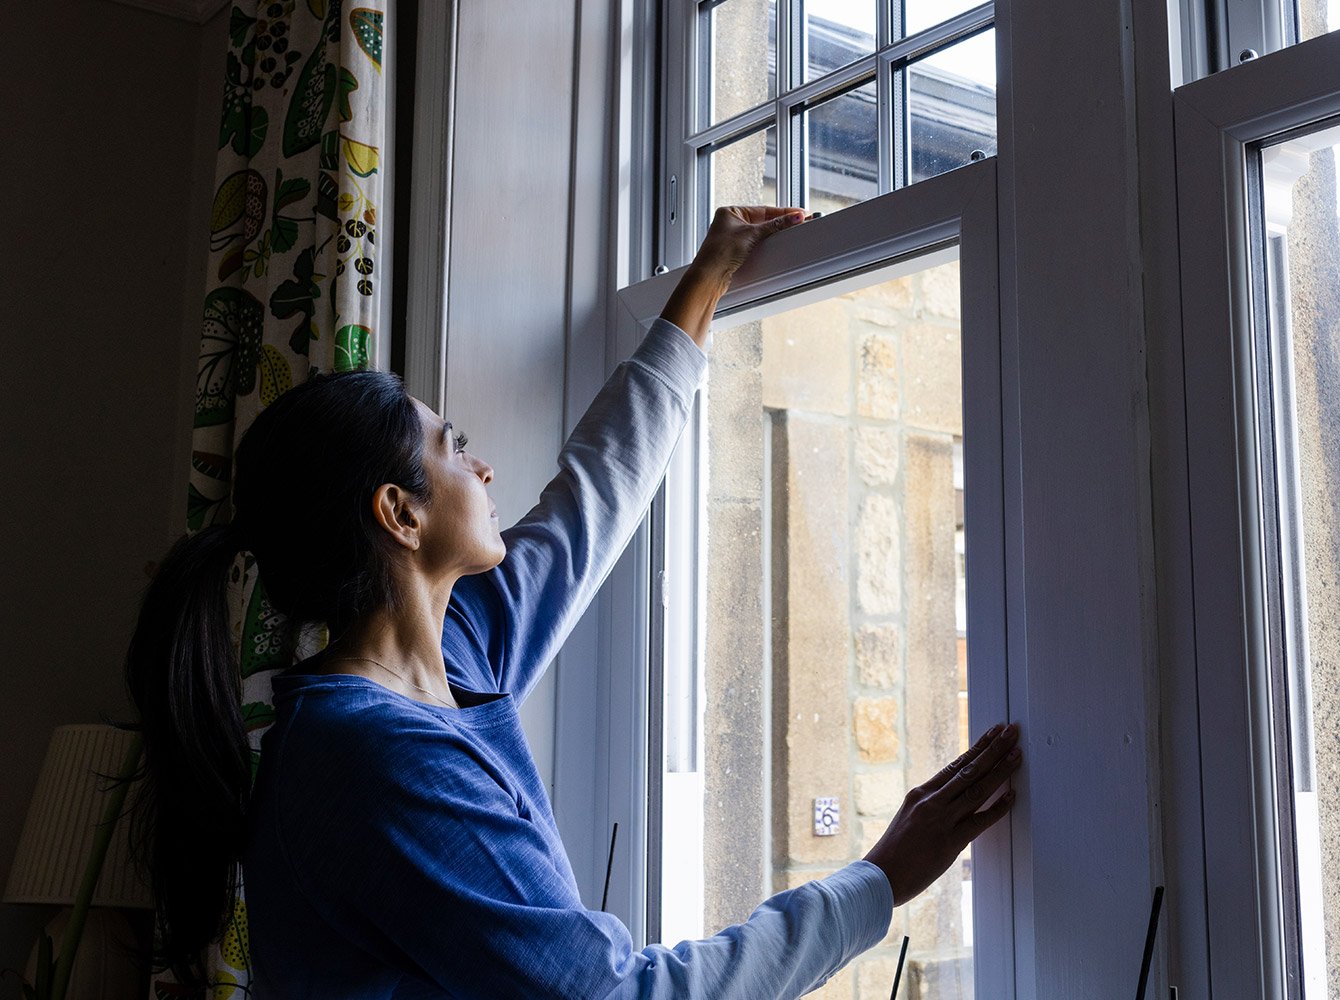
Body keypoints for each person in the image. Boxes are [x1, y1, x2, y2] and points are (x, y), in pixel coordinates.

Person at [124, 205, 1022, 998]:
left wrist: (703, 289)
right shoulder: (371, 757)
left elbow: (593, 499)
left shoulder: (457, 649)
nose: (481, 466)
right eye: (454, 444)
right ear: (399, 514)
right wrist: (877, 881)